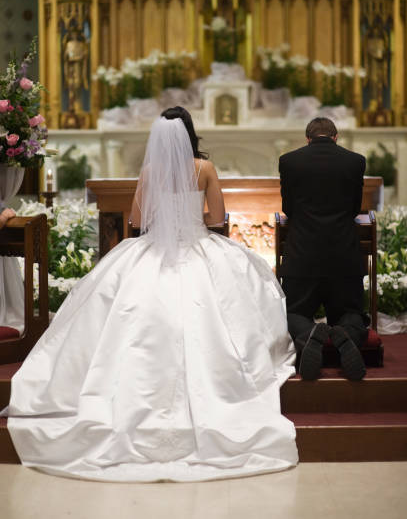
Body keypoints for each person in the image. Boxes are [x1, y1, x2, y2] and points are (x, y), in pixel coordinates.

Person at [5, 107, 298, 482]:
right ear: (191, 133)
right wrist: (192, 218)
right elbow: (216, 218)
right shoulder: (204, 169)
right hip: (198, 245)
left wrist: (164, 218)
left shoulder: (149, 172)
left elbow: (137, 221)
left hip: (154, 251)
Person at [278, 117, 369, 382]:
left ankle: (309, 335)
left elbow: (289, 208)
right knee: (352, 314)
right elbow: (354, 208)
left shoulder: (289, 161)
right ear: (336, 137)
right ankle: (344, 336)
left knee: (292, 313)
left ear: (307, 139)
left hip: (302, 255)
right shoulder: (355, 161)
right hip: (344, 256)